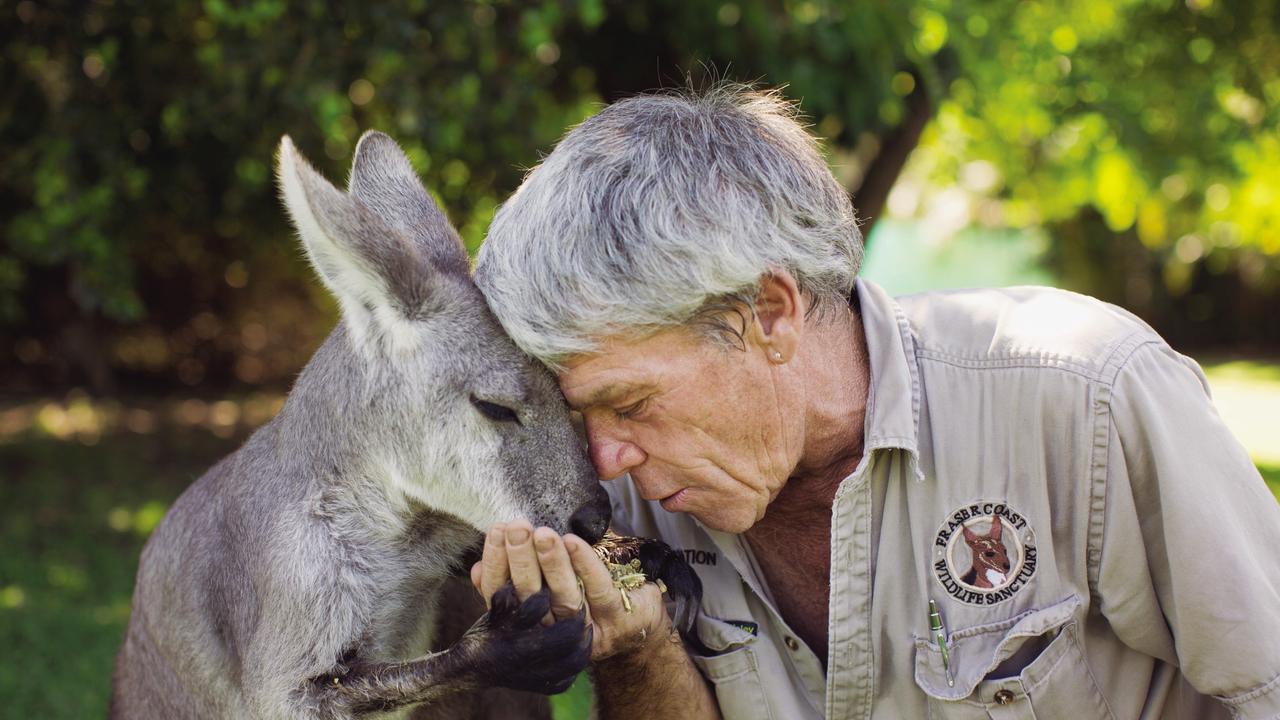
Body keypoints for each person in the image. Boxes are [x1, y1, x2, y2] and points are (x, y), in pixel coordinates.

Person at [469, 84, 1280, 719]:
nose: (605, 461)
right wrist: (636, 646)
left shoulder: (1084, 399)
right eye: (585, 418)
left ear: (770, 313)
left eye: (632, 403)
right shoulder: (629, 508)